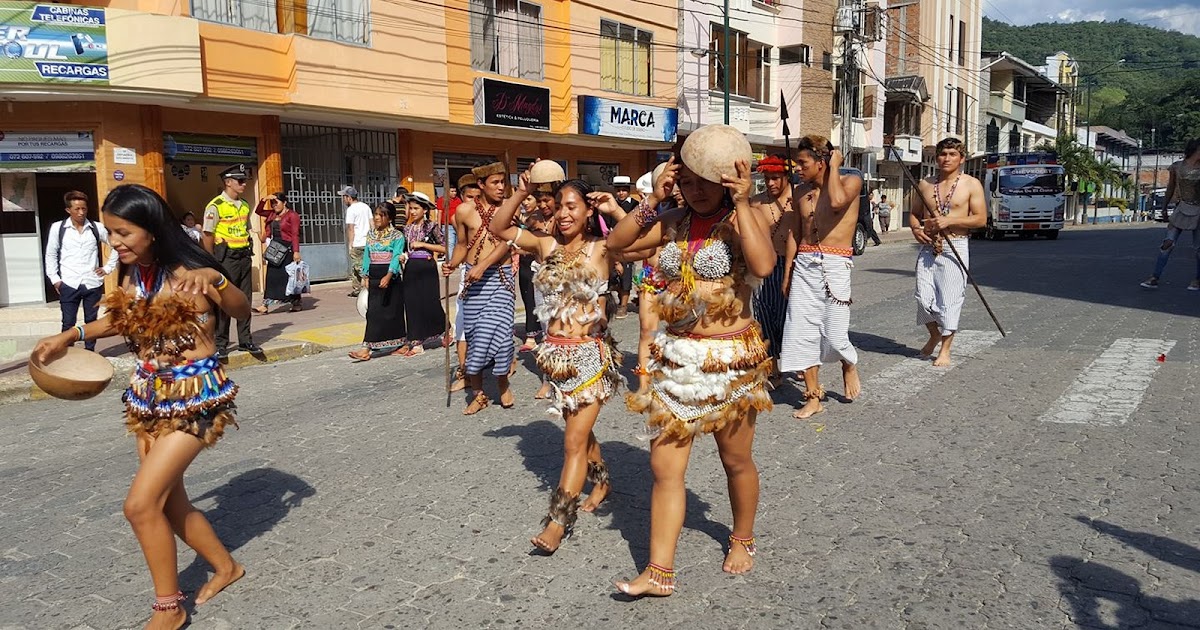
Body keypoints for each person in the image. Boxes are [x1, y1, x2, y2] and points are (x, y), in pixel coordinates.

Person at [33, 184, 249, 629]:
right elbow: (122, 318)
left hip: (195, 399)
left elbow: (242, 310)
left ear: (151, 230)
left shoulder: (190, 269)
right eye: (110, 233)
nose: (115, 242)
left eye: (123, 232)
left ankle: (168, 609)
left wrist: (219, 279)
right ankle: (226, 567)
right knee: (168, 503)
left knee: (140, 504)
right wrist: (70, 335)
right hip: (148, 397)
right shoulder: (136, 274)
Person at [607, 124, 776, 597]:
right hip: (678, 357)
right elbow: (618, 245)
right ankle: (659, 571)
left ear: (725, 180)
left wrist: (743, 202)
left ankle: (742, 537)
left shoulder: (742, 219)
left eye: (705, 181)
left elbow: (763, 266)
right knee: (664, 468)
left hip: (731, 359)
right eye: (688, 180)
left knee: (735, 460)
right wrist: (651, 203)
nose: (695, 191)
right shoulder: (673, 220)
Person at [491, 170, 627, 553]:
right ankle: (601, 478)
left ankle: (557, 522)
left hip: (589, 357)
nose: (564, 214)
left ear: (587, 211)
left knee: (571, 442)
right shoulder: (546, 246)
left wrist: (615, 208)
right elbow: (501, 228)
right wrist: (521, 193)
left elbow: (643, 240)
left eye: (573, 207)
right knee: (578, 433)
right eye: (560, 206)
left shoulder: (602, 248)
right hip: (554, 356)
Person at [779, 135, 863, 419]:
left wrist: (836, 166)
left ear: (821, 162)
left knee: (835, 334)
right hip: (804, 262)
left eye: (803, 163)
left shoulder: (851, 182)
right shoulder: (799, 192)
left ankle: (848, 363)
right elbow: (795, 232)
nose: (798, 169)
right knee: (800, 332)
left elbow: (837, 202)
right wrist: (788, 272)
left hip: (836, 262)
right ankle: (813, 397)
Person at [443, 161, 519, 414]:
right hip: (473, 281)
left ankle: (502, 382)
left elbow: (507, 242)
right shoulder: (464, 211)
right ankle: (478, 394)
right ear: (481, 185)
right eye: (495, 183)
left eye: (503, 182)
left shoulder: (508, 209)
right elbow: (462, 244)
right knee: (475, 336)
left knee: (501, 335)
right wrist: (452, 264)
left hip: (500, 278)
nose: (501, 187)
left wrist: (483, 265)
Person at [909, 137, 987, 367]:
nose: (946, 158)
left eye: (952, 154)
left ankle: (945, 348)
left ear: (961, 159)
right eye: (943, 154)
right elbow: (914, 214)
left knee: (950, 301)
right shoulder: (925, 184)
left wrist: (950, 220)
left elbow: (981, 219)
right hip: (928, 247)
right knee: (923, 298)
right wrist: (915, 229)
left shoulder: (971, 184)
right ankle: (934, 333)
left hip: (956, 245)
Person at [44, 190, 118, 353]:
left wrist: (107, 268)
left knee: (91, 321)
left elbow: (116, 245)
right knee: (68, 322)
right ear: (68, 210)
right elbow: (51, 254)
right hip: (69, 282)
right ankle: (66, 353)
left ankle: (89, 352)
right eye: (77, 209)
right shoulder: (59, 228)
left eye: (84, 208)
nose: (81, 212)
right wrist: (55, 279)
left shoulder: (96, 228)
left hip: (92, 282)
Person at [201, 163, 261, 358]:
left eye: (245, 180)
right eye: (240, 181)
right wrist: (211, 260)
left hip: (243, 256)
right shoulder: (215, 206)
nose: (244, 184)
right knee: (224, 301)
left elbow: (246, 229)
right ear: (228, 182)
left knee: (244, 300)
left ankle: (246, 341)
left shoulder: (244, 205)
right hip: (225, 259)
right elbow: (207, 234)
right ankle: (221, 344)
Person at [749, 155, 794, 385]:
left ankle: (797, 362)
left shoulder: (797, 199)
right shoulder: (756, 203)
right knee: (764, 316)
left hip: (792, 266)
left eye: (775, 178)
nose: (770, 183)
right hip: (765, 268)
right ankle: (773, 368)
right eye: (767, 179)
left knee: (787, 318)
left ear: (786, 177)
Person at [348, 202, 407, 361]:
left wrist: (389, 275)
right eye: (376, 214)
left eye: (381, 215)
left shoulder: (397, 236)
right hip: (374, 274)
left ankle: (400, 341)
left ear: (390, 218)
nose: (377, 218)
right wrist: (365, 275)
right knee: (373, 312)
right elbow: (367, 254)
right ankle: (366, 347)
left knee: (392, 311)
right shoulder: (371, 234)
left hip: (390, 276)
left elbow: (396, 256)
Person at [1140, 138, 1200, 291]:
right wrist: (1165, 207)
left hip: (1199, 210)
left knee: (1199, 248)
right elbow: (1170, 188)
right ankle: (1155, 277)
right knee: (1167, 244)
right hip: (1181, 208)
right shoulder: (1177, 167)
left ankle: (1197, 280)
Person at [398, 192, 447, 355]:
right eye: (410, 208)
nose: (412, 212)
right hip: (411, 268)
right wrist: (404, 255)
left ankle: (445, 328)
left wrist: (423, 245)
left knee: (430, 302)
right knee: (412, 304)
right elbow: (407, 249)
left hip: (427, 268)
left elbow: (444, 247)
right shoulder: (407, 228)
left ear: (424, 209)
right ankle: (416, 342)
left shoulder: (432, 227)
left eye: (416, 208)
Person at [448, 175, 484, 393]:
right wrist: (451, 264)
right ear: (461, 197)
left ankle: (504, 366)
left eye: (477, 197)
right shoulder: (458, 218)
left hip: (493, 276)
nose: (473, 202)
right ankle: (465, 372)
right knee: (461, 326)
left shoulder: (493, 216)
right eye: (469, 197)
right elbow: (461, 246)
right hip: (468, 274)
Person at [253, 193, 303, 314]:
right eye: (273, 203)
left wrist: (296, 251)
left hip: (288, 248)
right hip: (275, 248)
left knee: (288, 277)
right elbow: (258, 211)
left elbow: (295, 234)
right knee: (271, 276)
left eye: (277, 202)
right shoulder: (272, 214)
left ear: (284, 202)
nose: (274, 205)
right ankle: (265, 305)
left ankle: (296, 303)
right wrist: (264, 200)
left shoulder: (292, 215)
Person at [517, 194, 546, 353]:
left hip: (540, 262)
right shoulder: (520, 215)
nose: (525, 202)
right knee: (528, 297)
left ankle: (538, 333)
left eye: (530, 199)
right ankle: (531, 334)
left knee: (542, 300)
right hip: (524, 261)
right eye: (524, 199)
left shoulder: (541, 218)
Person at [610, 175, 639, 318]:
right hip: (613, 243)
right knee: (613, 275)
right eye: (618, 190)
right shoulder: (611, 205)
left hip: (629, 244)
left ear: (628, 190)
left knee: (626, 275)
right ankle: (618, 298)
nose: (621, 193)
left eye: (624, 190)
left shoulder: (635, 204)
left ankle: (623, 306)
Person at [341, 185, 373, 298]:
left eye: (344, 197)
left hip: (358, 242)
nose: (343, 199)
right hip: (368, 241)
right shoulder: (366, 207)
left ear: (349, 197)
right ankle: (357, 289)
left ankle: (368, 286)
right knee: (357, 266)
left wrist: (350, 244)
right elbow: (372, 223)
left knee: (359, 266)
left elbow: (351, 228)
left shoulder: (351, 210)